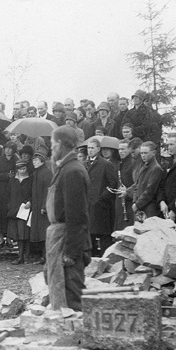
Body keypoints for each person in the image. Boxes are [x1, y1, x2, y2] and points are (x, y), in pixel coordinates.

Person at [46, 126, 91, 311]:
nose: (51, 148)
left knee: (72, 300)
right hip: (59, 238)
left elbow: (77, 217)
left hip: (68, 243)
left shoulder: (72, 171)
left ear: (60, 144)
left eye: (52, 144)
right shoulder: (64, 168)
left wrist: (70, 253)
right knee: (60, 295)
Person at [85, 138, 118, 256]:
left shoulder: (106, 164)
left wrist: (102, 198)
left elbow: (113, 183)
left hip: (101, 206)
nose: (90, 150)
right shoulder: (84, 164)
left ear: (98, 149)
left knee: (103, 234)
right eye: (88, 148)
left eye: (92, 148)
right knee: (89, 234)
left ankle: (105, 258)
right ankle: (91, 259)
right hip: (87, 204)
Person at [0, 140, 18, 247]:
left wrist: (13, 176)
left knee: (9, 214)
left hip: (11, 190)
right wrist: (6, 175)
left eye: (10, 149)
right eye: (6, 148)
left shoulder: (16, 160)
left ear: (14, 151)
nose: (7, 150)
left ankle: (9, 238)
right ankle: (1, 238)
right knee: (0, 214)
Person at [7, 160, 32, 264]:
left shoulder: (30, 180)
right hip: (14, 210)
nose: (22, 171)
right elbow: (8, 194)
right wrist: (9, 206)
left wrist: (30, 201)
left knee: (25, 234)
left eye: (24, 168)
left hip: (25, 210)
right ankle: (20, 256)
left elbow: (33, 193)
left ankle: (25, 257)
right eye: (20, 169)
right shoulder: (12, 180)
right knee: (17, 234)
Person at [30, 151, 53, 264]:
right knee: (38, 233)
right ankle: (42, 256)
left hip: (43, 208)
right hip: (36, 206)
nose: (34, 162)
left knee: (44, 233)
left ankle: (46, 257)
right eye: (33, 160)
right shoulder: (36, 172)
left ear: (42, 161)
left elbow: (48, 191)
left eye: (36, 160)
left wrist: (44, 206)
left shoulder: (47, 173)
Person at [131, 142, 164, 218]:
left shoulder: (156, 168)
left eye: (145, 153)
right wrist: (134, 202)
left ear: (153, 153)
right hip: (139, 207)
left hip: (149, 209)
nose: (143, 155)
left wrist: (137, 204)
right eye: (141, 153)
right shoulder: (144, 166)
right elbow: (137, 186)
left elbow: (150, 191)